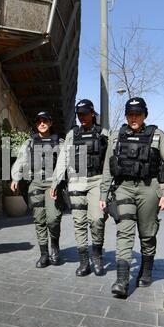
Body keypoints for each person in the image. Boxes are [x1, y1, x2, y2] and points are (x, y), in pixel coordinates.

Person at [100, 98, 164, 298]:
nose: (134, 118)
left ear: (145, 115)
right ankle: (122, 280)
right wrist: (103, 194)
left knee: (147, 233)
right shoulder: (116, 137)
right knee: (124, 232)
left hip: (148, 188)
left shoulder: (157, 136)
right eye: (130, 114)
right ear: (126, 115)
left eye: (138, 114)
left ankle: (146, 270)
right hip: (123, 188)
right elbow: (108, 168)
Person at [51, 100, 109, 277]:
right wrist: (55, 182)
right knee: (79, 222)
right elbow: (63, 159)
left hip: (97, 180)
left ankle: (97, 256)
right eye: (79, 114)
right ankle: (84, 262)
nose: (82, 117)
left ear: (93, 113)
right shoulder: (72, 134)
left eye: (85, 113)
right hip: (76, 181)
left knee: (97, 220)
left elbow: (110, 159)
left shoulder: (103, 133)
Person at [11, 112, 64, 268]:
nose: (42, 123)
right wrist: (15, 178)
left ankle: (54, 245)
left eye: (45, 121)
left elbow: (64, 163)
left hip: (52, 184)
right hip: (35, 183)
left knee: (53, 219)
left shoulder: (59, 142)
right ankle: (44, 254)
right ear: (36, 124)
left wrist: (58, 182)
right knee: (39, 220)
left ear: (50, 122)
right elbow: (21, 160)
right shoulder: (29, 143)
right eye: (39, 121)